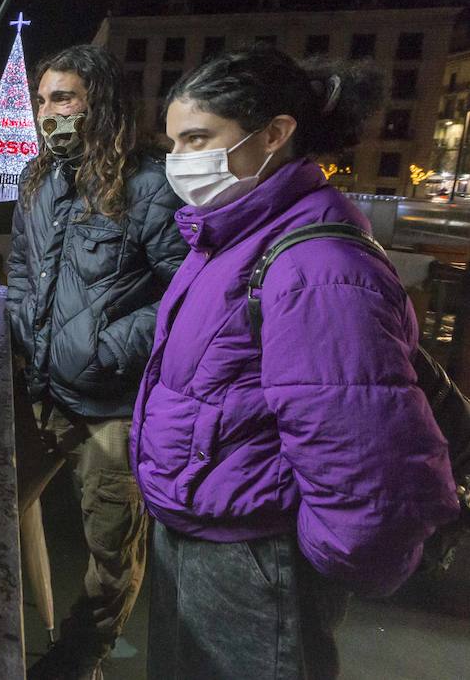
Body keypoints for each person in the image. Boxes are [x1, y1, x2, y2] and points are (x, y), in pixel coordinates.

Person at [134, 46, 459, 679]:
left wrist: (301, 561)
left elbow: (363, 446)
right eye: (173, 144)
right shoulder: (231, 234)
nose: (179, 162)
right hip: (207, 535)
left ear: (275, 134)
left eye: (198, 139)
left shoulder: (316, 266)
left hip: (253, 554)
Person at [6, 44, 187, 679]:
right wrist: (29, 326)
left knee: (110, 553)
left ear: (99, 104)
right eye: (42, 100)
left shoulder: (149, 187)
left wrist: (109, 346)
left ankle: (77, 660)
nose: (47, 113)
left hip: (114, 410)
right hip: (46, 394)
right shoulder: (39, 181)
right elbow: (24, 268)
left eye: (64, 99)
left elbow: (185, 294)